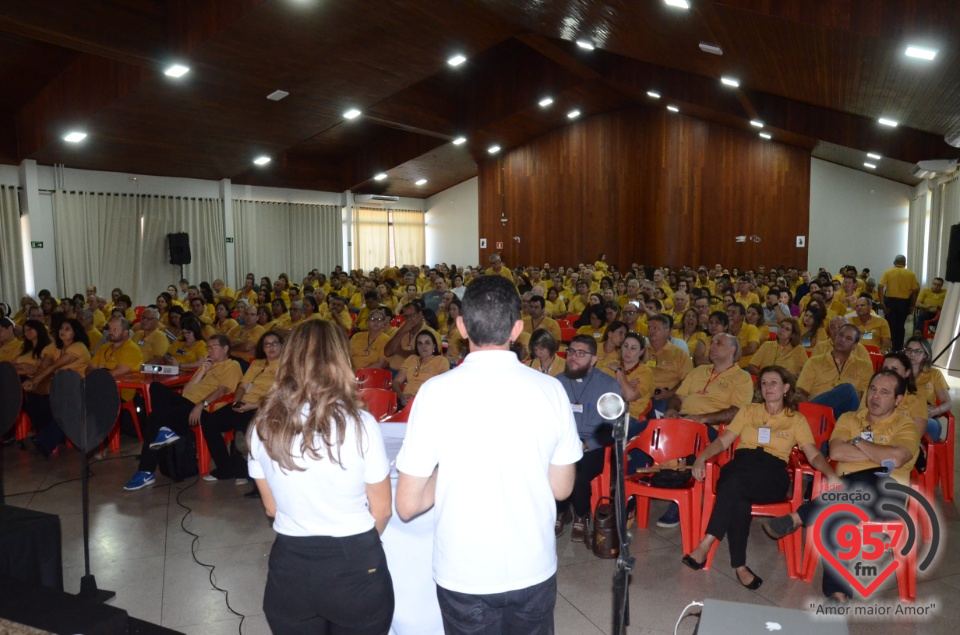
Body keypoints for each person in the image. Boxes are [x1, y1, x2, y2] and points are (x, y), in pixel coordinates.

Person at [396, 275, 581, 634]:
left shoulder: (435, 393)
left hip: (464, 572)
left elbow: (407, 505)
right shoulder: (551, 391)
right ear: (517, 329)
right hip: (532, 565)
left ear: (461, 326)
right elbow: (561, 490)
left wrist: (446, 471)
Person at [247, 320, 394, 634]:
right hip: (355, 564)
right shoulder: (361, 423)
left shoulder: (263, 424)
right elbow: (381, 510)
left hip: (291, 567)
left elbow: (272, 510)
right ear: (340, 360)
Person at [762, 370, 921, 603]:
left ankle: (799, 517)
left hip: (887, 499)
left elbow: (896, 459)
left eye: (885, 393)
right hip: (846, 497)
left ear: (898, 400)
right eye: (873, 389)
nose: (875, 396)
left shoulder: (906, 426)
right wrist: (878, 453)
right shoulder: (849, 419)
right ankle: (838, 594)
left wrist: (857, 441)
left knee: (872, 477)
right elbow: (836, 451)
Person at [682, 366, 839, 590]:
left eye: (774, 383)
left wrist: (830, 473)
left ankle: (707, 543)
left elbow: (812, 453)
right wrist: (701, 458)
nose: (768, 388)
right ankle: (740, 566)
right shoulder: (749, 410)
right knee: (737, 492)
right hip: (742, 464)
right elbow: (723, 441)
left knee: (733, 484)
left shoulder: (796, 419)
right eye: (764, 383)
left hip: (772, 474)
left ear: (786, 388)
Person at [124, 334, 242, 491]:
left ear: (225, 348)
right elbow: (186, 391)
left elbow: (222, 391)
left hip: (204, 408)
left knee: (154, 419)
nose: (210, 350)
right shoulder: (207, 364)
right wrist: (202, 371)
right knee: (156, 387)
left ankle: (145, 471)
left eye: (213, 347)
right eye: (208, 347)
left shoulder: (232, 365)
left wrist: (201, 404)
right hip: (187, 402)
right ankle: (168, 429)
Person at [660, 333, 754, 527]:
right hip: (681, 423)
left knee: (688, 440)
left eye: (719, 343)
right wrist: (671, 409)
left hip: (712, 430)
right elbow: (678, 397)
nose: (712, 346)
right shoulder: (699, 371)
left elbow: (738, 411)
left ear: (732, 350)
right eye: (712, 342)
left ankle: (677, 499)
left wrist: (703, 418)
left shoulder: (742, 378)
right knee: (644, 433)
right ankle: (632, 493)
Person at [552, 334, 624, 542]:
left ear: (593, 359)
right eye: (571, 351)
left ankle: (581, 515)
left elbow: (613, 427)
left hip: (592, 445)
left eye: (581, 353)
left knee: (577, 471)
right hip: (562, 444)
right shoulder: (557, 383)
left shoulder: (608, 385)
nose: (574, 357)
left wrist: (586, 444)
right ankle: (560, 510)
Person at [202, 331, 284, 484]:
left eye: (275, 343)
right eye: (267, 344)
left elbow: (282, 395)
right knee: (209, 421)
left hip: (265, 406)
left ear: (282, 346)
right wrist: (236, 402)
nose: (271, 347)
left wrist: (253, 405)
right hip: (244, 403)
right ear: (263, 348)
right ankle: (225, 467)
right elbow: (242, 386)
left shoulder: (286, 366)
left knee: (242, 429)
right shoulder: (257, 363)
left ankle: (245, 472)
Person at [22, 318, 91, 455]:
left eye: (67, 329)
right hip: (59, 386)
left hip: (78, 389)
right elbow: (44, 366)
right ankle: (44, 438)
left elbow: (55, 365)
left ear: (75, 333)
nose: (62, 331)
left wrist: (35, 381)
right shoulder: (54, 346)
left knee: (55, 400)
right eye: (61, 328)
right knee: (32, 397)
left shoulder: (79, 347)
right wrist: (34, 383)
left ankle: (44, 440)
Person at [796, 323, 873, 419]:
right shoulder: (814, 362)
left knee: (848, 391)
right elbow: (800, 392)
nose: (842, 339)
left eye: (848, 338)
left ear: (855, 346)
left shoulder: (864, 367)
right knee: (847, 389)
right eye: (840, 335)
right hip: (818, 415)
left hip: (847, 415)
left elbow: (866, 398)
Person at [904, 336, 952, 441]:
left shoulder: (934, 374)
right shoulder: (899, 371)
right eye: (909, 350)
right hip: (902, 414)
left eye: (918, 351)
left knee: (918, 425)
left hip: (927, 417)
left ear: (925, 355)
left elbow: (947, 402)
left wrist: (936, 411)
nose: (912, 354)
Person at [89, 318, 143, 402]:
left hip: (120, 393)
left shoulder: (132, 349)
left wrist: (96, 379)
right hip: (100, 387)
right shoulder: (104, 347)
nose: (111, 332)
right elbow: (90, 367)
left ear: (125, 332)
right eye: (110, 329)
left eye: (115, 329)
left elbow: (119, 371)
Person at [647, 314, 693, 414]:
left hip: (664, 398)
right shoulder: (640, 350)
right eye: (650, 327)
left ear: (668, 331)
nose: (652, 331)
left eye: (656, 328)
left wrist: (669, 393)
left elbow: (688, 380)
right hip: (640, 395)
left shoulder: (679, 354)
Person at [392, 331, 448, 408]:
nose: (423, 346)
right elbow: (396, 382)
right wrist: (401, 395)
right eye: (420, 343)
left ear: (434, 346)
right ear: (416, 347)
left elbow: (442, 385)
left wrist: (417, 398)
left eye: (427, 343)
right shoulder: (411, 359)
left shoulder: (441, 361)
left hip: (427, 401)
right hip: (405, 400)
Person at [878, 255, 919, 350]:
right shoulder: (911, 274)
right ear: (905, 263)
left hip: (890, 302)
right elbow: (915, 291)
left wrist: (882, 303)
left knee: (890, 326)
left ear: (894, 262)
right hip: (904, 303)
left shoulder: (888, 272)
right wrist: (912, 305)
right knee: (900, 326)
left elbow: (880, 287)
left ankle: (889, 348)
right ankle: (898, 348)